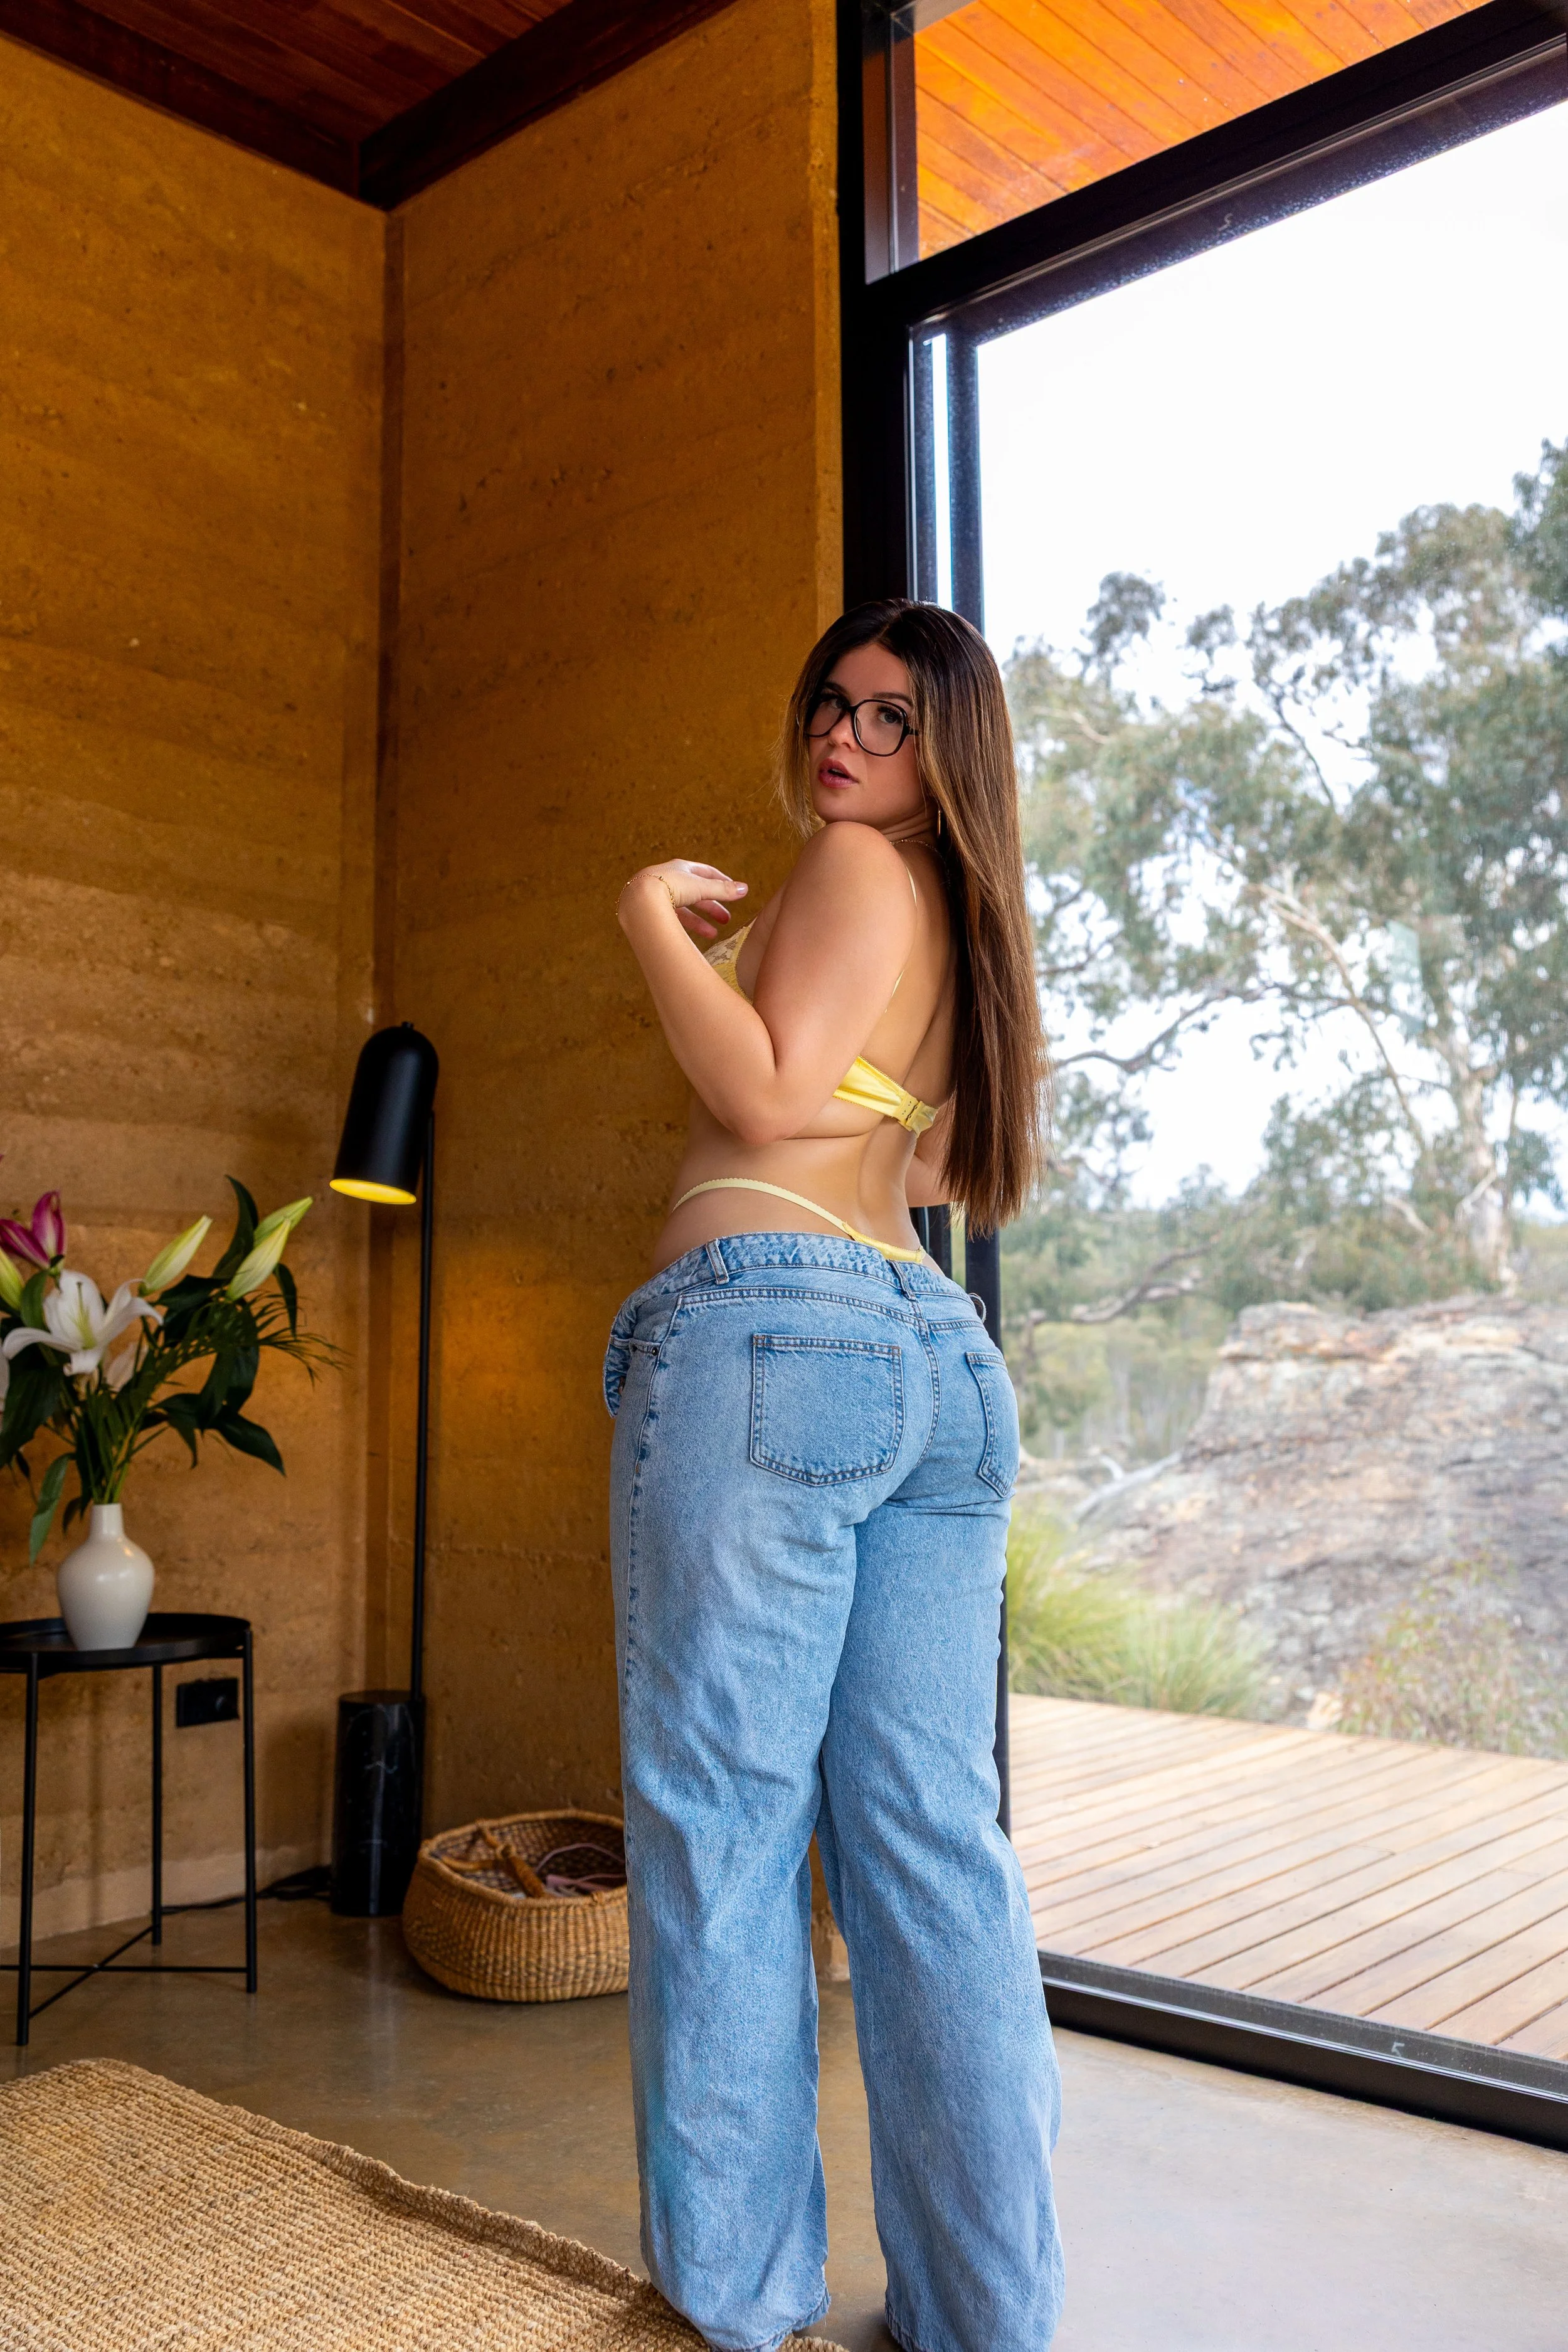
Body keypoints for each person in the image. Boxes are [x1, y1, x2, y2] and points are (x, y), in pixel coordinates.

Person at [605, 600, 1064, 2352]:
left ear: (944, 751)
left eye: (889, 717)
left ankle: (731, 2305)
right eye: (830, 706)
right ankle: (983, 2311)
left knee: (723, 1828)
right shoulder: (963, 920)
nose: (845, 742)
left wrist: (646, 918)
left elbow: (772, 1087)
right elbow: (925, 1147)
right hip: (924, 1360)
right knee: (930, 1845)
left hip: (773, 1336)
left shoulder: (859, 868)